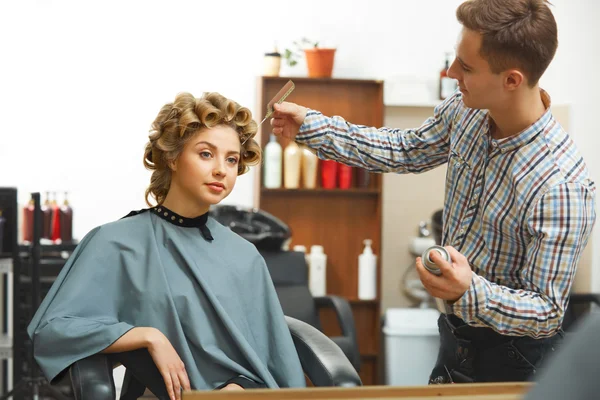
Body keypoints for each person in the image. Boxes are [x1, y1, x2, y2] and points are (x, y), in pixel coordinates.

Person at [270, 0, 596, 384]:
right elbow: (406, 149)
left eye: (467, 67)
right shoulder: (467, 111)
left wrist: (470, 290)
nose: (451, 72)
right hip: (455, 336)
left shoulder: (562, 185)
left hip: (517, 361)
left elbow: (546, 312)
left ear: (511, 79)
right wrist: (312, 126)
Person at [27, 92, 306, 400]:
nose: (221, 170)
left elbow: (272, 360)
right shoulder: (116, 242)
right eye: (205, 154)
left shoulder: (244, 255)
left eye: (231, 159)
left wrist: (238, 389)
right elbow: (55, 328)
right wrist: (147, 336)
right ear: (173, 157)